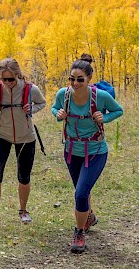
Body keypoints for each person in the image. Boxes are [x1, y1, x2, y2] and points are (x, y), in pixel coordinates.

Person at [51, 53, 123, 253]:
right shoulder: (63, 95)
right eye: (72, 79)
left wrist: (104, 118)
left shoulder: (101, 97)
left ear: (89, 79)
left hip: (96, 151)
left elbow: (118, 110)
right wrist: (58, 114)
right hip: (71, 151)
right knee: (80, 193)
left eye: (80, 79)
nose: (75, 83)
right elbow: (54, 108)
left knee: (81, 193)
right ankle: (88, 217)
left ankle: (79, 233)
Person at [0, 58, 46, 233]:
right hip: (1, 134)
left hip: (26, 136)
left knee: (24, 176)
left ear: (18, 75)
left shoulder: (30, 89)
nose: (7, 83)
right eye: (4, 79)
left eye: (11, 79)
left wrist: (31, 109)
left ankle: (23, 210)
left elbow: (42, 103)